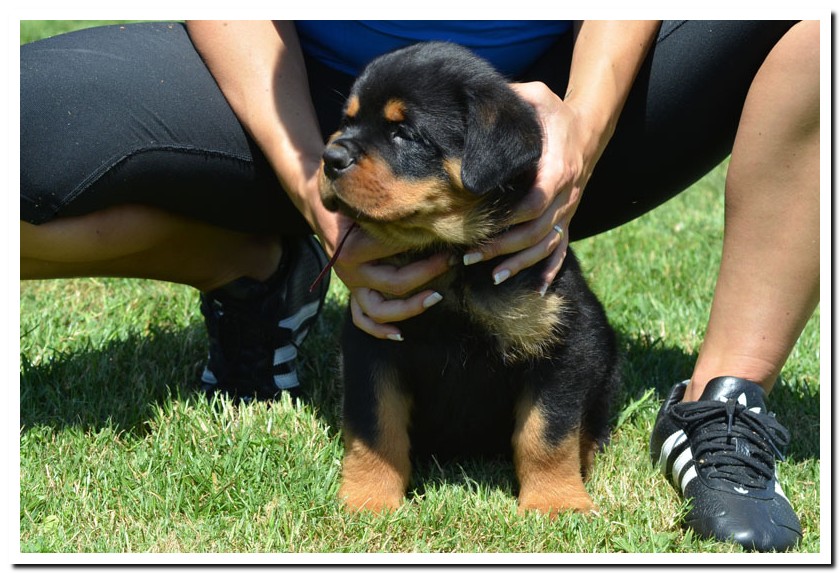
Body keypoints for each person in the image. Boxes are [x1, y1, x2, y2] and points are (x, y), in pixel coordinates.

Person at [20, 20, 818, 552]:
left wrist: (584, 117)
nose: (346, 151)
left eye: (381, 134)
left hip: (554, 96)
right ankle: (266, 274)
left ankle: (724, 398)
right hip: (295, 77)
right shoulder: (348, 140)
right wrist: (320, 194)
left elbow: (567, 357)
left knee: (824, 31)